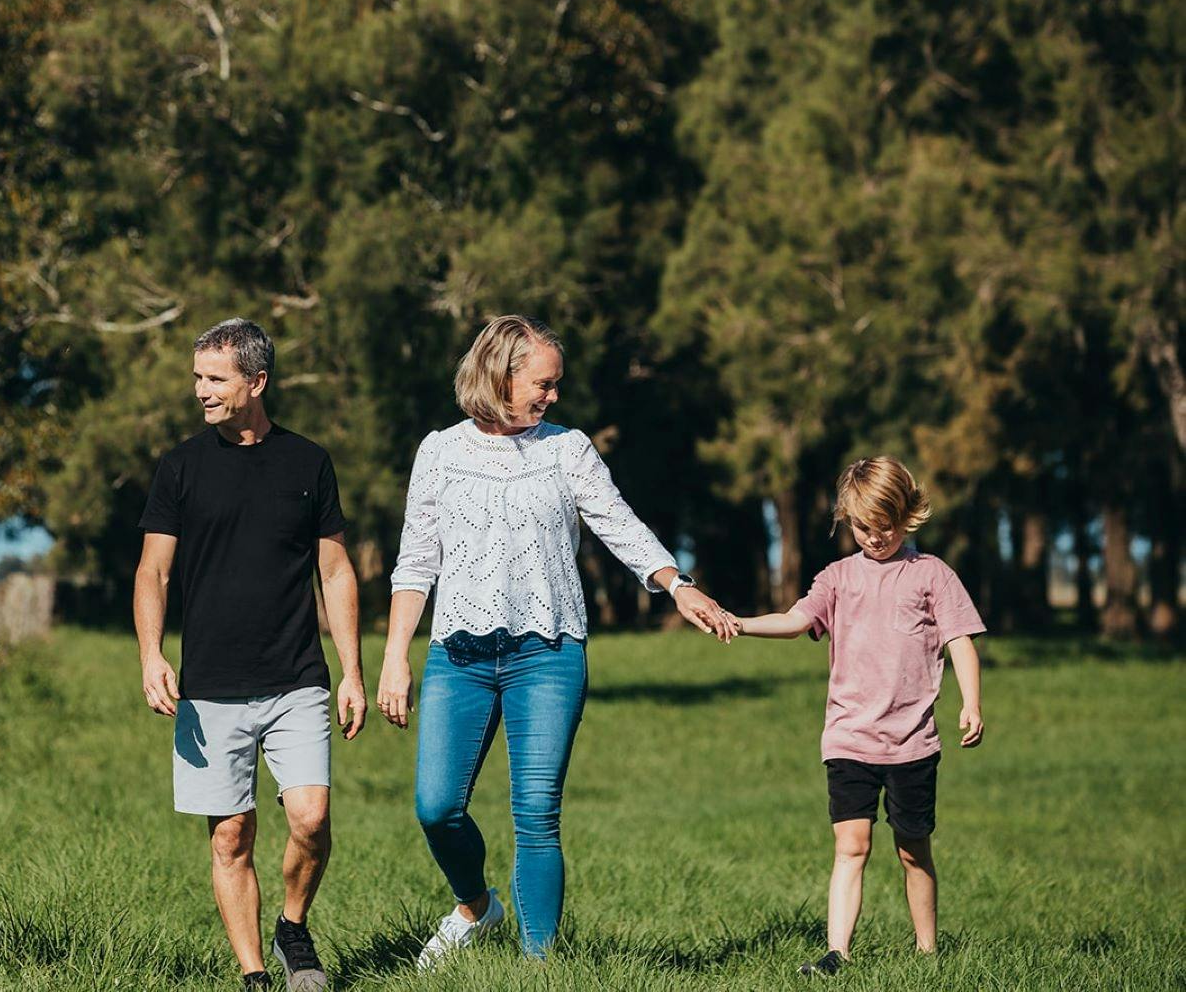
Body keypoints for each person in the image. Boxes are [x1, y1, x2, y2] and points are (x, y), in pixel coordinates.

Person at [377, 314, 738, 966]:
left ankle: (537, 969)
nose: (553, 395)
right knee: (436, 808)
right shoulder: (440, 451)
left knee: (537, 814)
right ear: (500, 375)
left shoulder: (567, 449)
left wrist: (677, 584)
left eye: (555, 384)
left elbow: (618, 524)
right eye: (542, 384)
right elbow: (416, 562)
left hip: (547, 653)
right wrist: (394, 658)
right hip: (458, 655)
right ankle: (475, 906)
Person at [134, 318, 367, 991]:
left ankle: (292, 925)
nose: (201, 391)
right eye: (197, 378)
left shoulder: (308, 462)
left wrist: (352, 671)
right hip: (209, 684)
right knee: (231, 836)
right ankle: (255, 974)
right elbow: (153, 572)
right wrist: (151, 655)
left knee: (311, 818)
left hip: (296, 676)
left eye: (216, 378)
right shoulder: (180, 466)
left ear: (257, 381)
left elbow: (335, 572)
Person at [734, 455, 984, 977]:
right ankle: (837, 953)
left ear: (908, 515)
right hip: (849, 737)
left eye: (885, 526)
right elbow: (795, 620)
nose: (874, 537)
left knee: (913, 850)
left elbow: (960, 640)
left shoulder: (932, 575)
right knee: (851, 845)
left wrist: (971, 702)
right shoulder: (837, 579)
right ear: (848, 521)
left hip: (912, 742)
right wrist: (739, 622)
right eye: (863, 527)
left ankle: (927, 953)